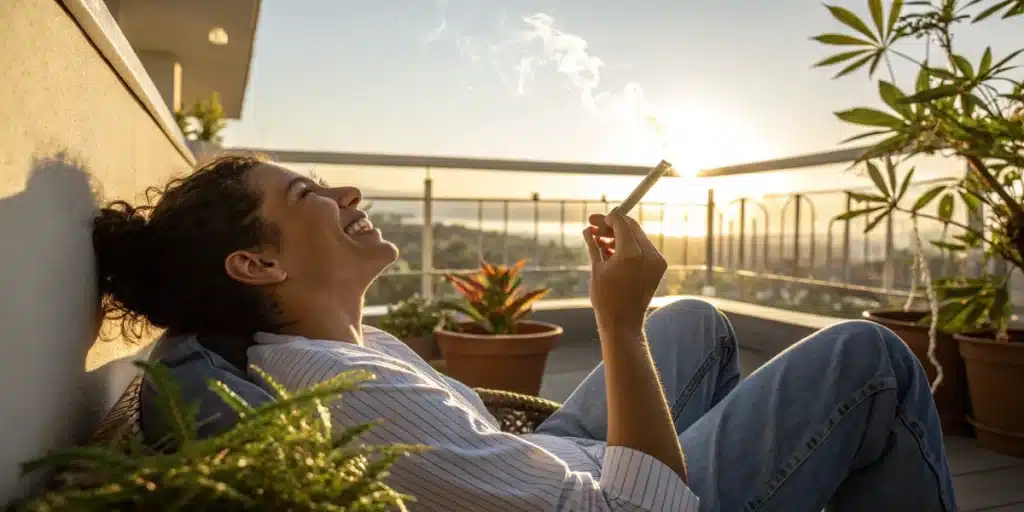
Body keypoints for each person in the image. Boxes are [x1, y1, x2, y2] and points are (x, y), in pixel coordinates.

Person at [94, 155, 958, 511]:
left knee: (692, 321)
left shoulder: (338, 348)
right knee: (869, 358)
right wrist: (616, 322)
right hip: (618, 497)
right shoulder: (353, 393)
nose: (345, 195)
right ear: (257, 267)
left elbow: (485, 451)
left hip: (551, 463)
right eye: (308, 193)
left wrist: (635, 329)